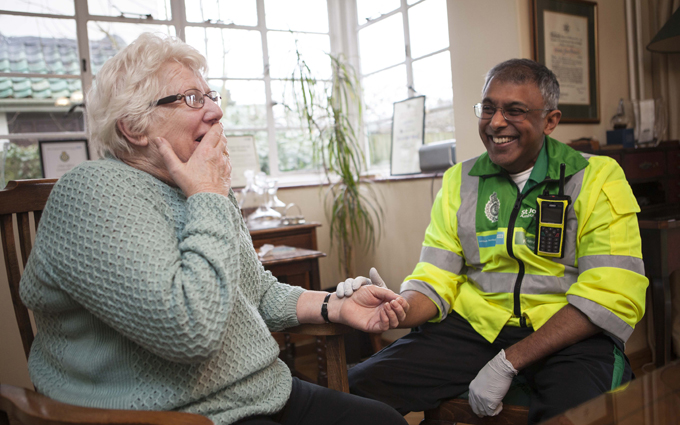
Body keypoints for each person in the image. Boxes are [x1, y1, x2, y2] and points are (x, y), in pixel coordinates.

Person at [19, 33, 410, 425]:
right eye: (191, 98)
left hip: (261, 390)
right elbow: (189, 333)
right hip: (173, 415)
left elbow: (256, 293)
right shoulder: (93, 192)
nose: (215, 112)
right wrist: (207, 194)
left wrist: (336, 305)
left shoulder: (200, 186)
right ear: (134, 128)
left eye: (211, 96)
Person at [341, 58, 648, 424]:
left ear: (550, 120)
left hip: (571, 337)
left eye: (514, 111)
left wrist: (509, 362)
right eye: (488, 108)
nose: (496, 122)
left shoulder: (597, 177)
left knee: (577, 415)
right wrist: (393, 309)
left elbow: (609, 295)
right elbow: (435, 277)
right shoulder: (460, 180)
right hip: (475, 330)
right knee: (354, 391)